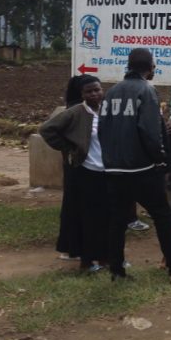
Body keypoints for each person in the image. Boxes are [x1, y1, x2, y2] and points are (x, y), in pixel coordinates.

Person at [98, 48, 171, 282]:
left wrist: (110, 159)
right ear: (150, 67)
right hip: (141, 169)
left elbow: (102, 130)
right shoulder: (146, 91)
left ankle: (117, 271)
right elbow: (149, 132)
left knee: (117, 221)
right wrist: (159, 158)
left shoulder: (111, 92)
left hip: (114, 168)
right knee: (162, 216)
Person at [39, 75, 107, 272]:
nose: (94, 94)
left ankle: (104, 257)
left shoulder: (107, 110)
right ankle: (86, 261)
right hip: (85, 171)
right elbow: (47, 129)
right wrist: (69, 148)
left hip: (106, 170)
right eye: (89, 91)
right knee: (87, 218)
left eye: (97, 90)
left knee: (105, 216)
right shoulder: (76, 112)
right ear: (82, 94)